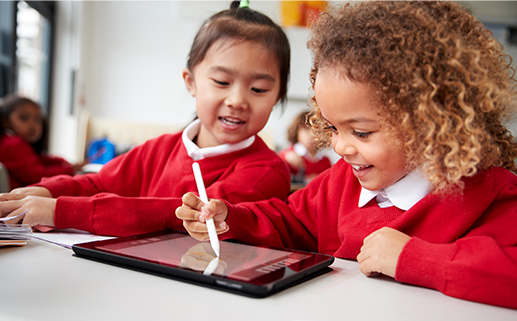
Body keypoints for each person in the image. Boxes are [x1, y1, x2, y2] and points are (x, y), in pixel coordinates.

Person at [176, 1, 517, 309]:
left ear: (431, 122)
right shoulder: (342, 182)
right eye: (333, 128)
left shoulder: (490, 193)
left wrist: (413, 259)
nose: (339, 147)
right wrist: (230, 219)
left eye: (362, 132)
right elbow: (290, 222)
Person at [0, 0, 291, 237]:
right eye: (222, 82)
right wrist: (50, 191)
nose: (237, 100)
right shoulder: (160, 149)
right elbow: (101, 181)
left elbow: (182, 216)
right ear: (191, 82)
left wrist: (60, 211)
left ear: (277, 96)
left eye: (259, 88)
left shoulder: (267, 170)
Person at [0, 95, 84, 189]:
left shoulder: (5, 141)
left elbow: (37, 160)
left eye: (38, 120)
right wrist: (70, 169)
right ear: (5, 121)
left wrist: (62, 162)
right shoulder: (13, 144)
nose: (33, 125)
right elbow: (37, 176)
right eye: (24, 118)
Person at [278, 111, 332, 184]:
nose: (311, 135)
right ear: (297, 131)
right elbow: (277, 163)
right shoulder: (289, 154)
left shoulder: (325, 162)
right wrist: (286, 157)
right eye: (306, 129)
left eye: (316, 131)